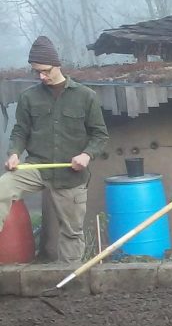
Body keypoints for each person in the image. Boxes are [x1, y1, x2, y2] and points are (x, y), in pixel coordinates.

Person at [1, 36, 109, 263]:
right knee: (3, 186)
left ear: (56, 64)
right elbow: (20, 131)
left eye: (45, 70)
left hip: (71, 175)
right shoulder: (29, 97)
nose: (41, 76)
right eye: (36, 72)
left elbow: (100, 135)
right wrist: (13, 153)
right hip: (36, 166)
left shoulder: (85, 96)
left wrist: (86, 155)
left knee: (71, 232)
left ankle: (70, 281)